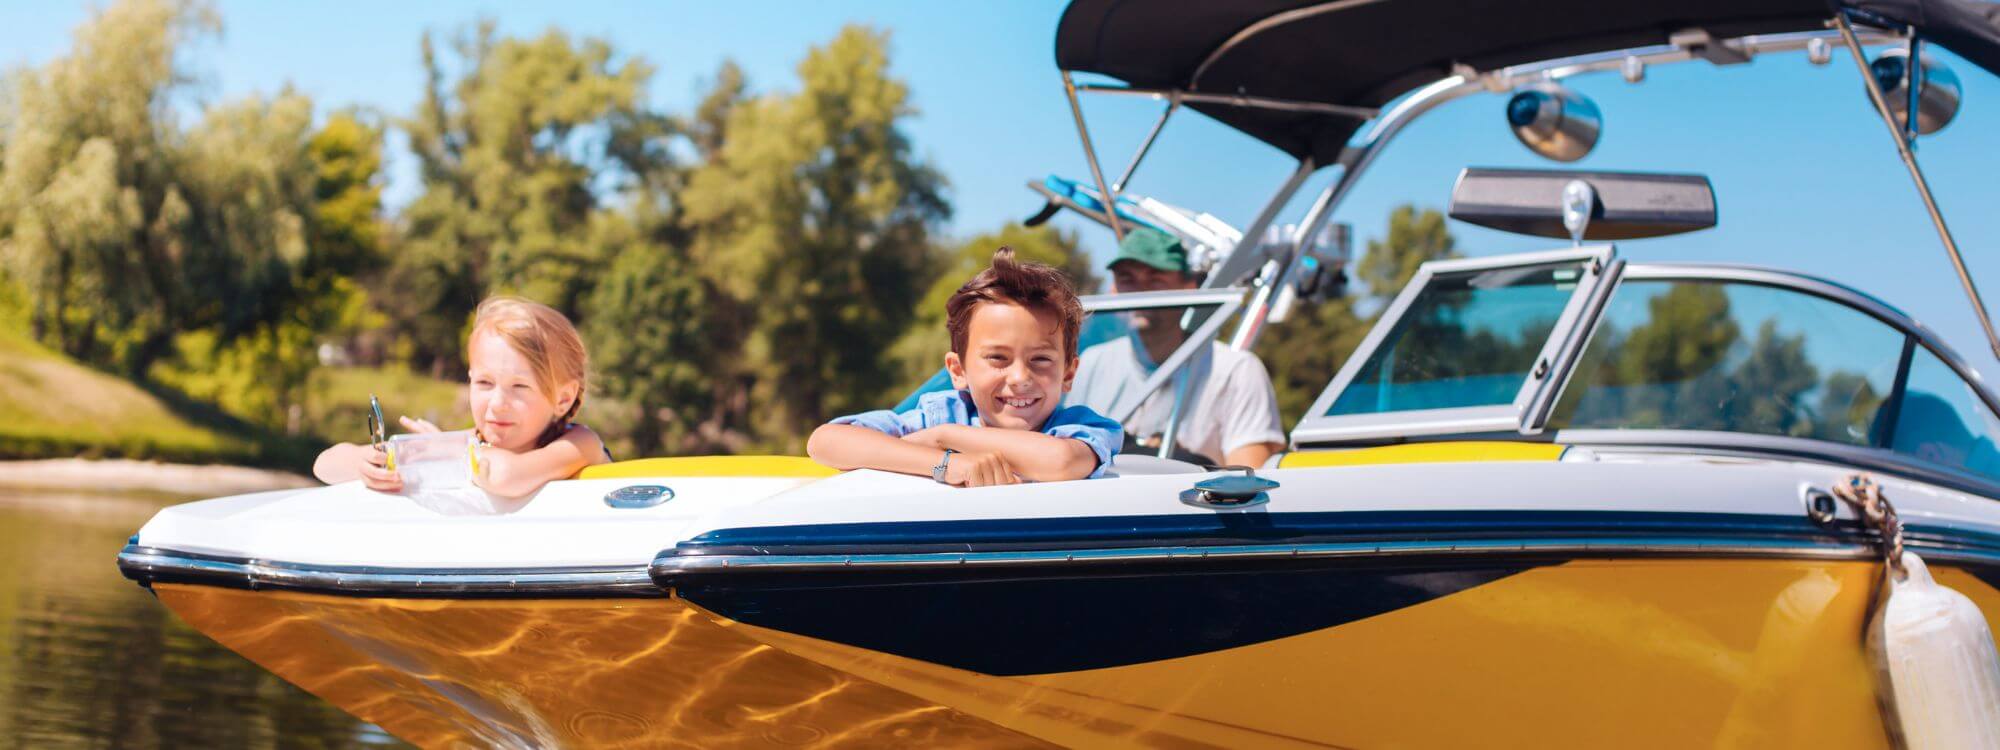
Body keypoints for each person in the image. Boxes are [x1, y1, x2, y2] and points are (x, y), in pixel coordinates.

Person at [808, 247, 1122, 486]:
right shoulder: (941, 413)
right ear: (957, 371)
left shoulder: (1082, 429)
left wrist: (945, 437)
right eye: (998, 358)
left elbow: (1061, 462)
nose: (1020, 378)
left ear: (1068, 372)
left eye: (1040, 359)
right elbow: (825, 441)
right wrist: (946, 462)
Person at [313, 296, 610, 499]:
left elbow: (505, 475)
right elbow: (325, 465)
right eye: (484, 382)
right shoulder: (472, 443)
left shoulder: (579, 443)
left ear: (563, 399)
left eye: (520, 387)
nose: (497, 404)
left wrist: (446, 451)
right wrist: (370, 463)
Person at [1070, 227, 1286, 467]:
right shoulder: (1091, 362)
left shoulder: (1236, 370)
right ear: (1113, 290)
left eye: (1155, 280)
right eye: (1127, 279)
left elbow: (1249, 479)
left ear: (1189, 288)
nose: (1140, 292)